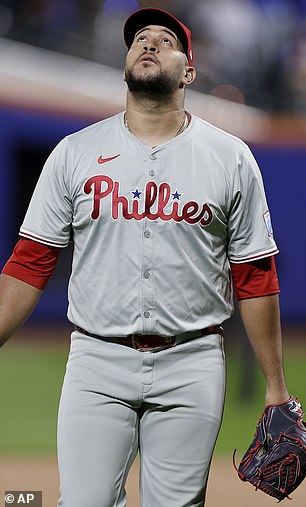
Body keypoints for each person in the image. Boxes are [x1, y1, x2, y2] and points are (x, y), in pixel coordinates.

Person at [0, 7, 290, 507]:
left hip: (193, 360)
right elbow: (29, 263)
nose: (149, 43)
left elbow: (256, 275)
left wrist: (276, 386)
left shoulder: (231, 156)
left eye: (164, 40)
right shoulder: (75, 152)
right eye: (139, 39)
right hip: (97, 359)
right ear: (126, 62)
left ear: (189, 71)